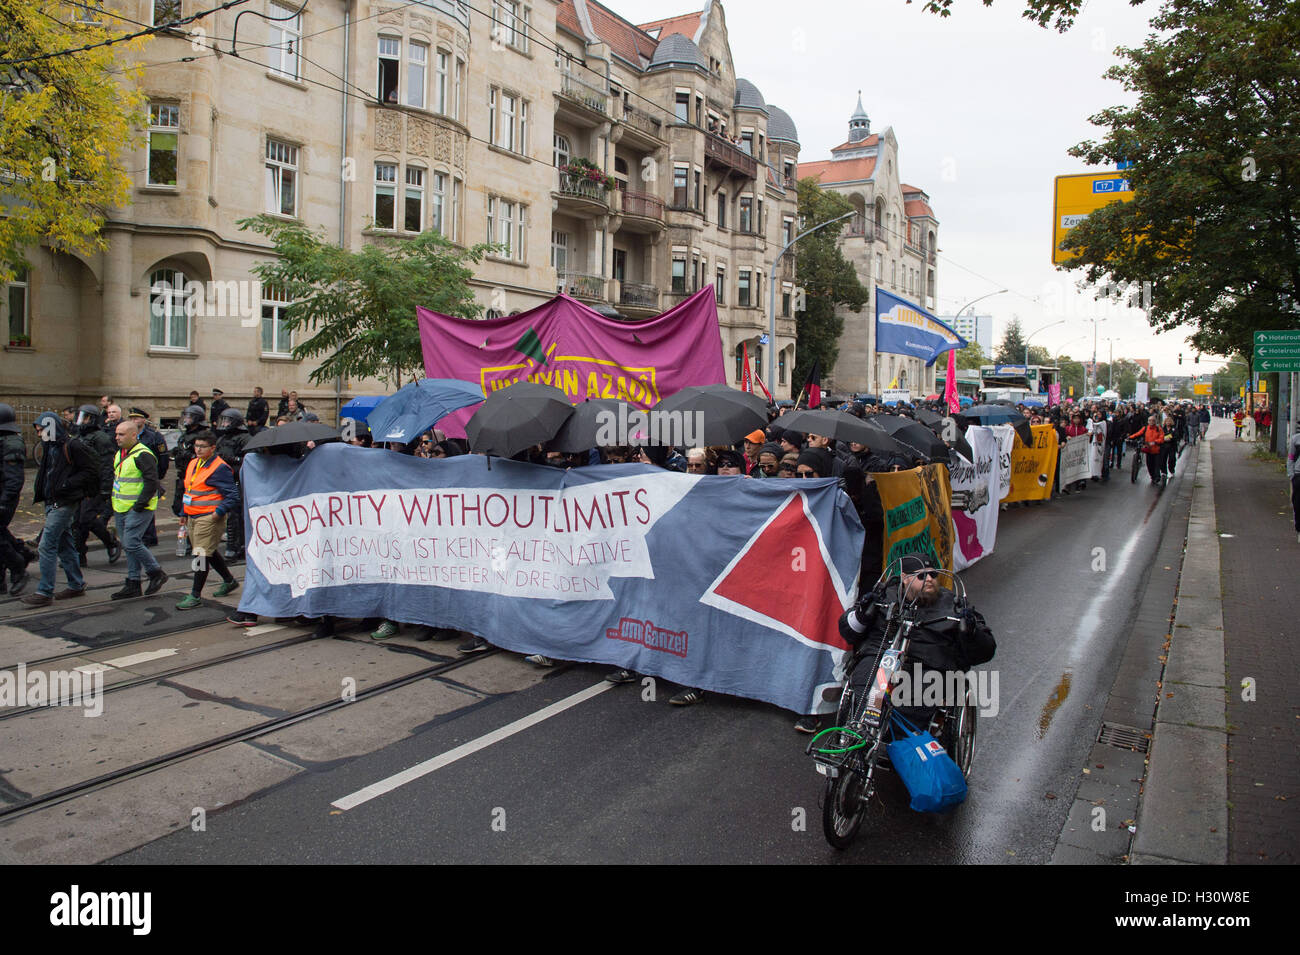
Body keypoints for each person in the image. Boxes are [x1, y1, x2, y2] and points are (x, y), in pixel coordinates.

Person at [815, 554, 996, 735]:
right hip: (882, 659)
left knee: (915, 700)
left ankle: (897, 741)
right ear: (904, 577)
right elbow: (849, 631)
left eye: (933, 574)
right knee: (866, 686)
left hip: (929, 666)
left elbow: (985, 651)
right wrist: (861, 614)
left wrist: (971, 631)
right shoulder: (884, 596)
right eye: (921, 576)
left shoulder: (953, 605)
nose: (930, 580)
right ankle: (862, 733)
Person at [22, 412, 97, 606]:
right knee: (64, 543)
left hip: (64, 503)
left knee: (46, 545)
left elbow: (90, 471)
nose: (39, 435)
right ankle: (76, 584)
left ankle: (45, 591)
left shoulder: (72, 445)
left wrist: (67, 485)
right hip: (53, 501)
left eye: (41, 430)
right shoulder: (50, 446)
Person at [176, 430, 240, 609]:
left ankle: (195, 595)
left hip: (208, 517)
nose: (198, 449)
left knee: (200, 555)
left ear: (213, 448)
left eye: (202, 446)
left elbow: (233, 495)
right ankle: (229, 580)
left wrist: (218, 513)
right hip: (193, 515)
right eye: (196, 445)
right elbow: (189, 490)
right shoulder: (194, 463)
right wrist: (183, 512)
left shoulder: (219, 468)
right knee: (207, 551)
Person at [109, 420, 169, 600]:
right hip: (120, 507)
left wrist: (139, 505)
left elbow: (152, 482)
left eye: (121, 434)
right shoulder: (121, 453)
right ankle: (133, 583)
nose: (117, 437)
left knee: (131, 542)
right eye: (116, 434)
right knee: (129, 546)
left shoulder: (143, 454)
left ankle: (156, 572)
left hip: (139, 508)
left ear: (134, 435)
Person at [71, 405, 122, 566]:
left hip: (96, 486)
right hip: (80, 485)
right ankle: (79, 554)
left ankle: (111, 542)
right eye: (80, 417)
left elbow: (107, 465)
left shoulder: (101, 438)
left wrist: (106, 488)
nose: (81, 422)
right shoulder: (78, 437)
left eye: (85, 418)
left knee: (86, 518)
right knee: (77, 520)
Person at [0, 403, 32, 595]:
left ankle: (18, 565)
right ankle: (21, 553)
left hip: (5, 496)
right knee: (1, 534)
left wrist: (4, 501)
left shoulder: (12, 443)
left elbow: (14, 479)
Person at [215, 409, 250, 561]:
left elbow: (251, 460)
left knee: (236, 515)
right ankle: (231, 544)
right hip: (224, 480)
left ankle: (237, 546)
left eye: (228, 421)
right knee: (227, 514)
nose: (225, 424)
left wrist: (233, 459)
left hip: (239, 480)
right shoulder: (222, 439)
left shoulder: (245, 438)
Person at [171, 403, 207, 553]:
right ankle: (187, 536)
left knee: (192, 509)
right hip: (182, 475)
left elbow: (204, 455)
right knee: (179, 506)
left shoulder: (202, 435)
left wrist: (190, 455)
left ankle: (194, 540)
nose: (186, 419)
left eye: (189, 417)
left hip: (195, 476)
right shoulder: (185, 435)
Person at [1128, 414, 1169, 485]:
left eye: (1153, 420)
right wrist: (1130, 437)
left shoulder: (1159, 429)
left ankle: (1157, 477)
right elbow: (1138, 433)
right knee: (1149, 464)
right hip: (1149, 450)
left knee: (1156, 465)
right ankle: (1153, 477)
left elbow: (1161, 438)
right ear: (1148, 421)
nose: (1151, 422)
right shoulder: (1145, 428)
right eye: (1150, 420)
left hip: (1157, 450)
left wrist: (1155, 442)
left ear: (1155, 421)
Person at [1288, 422, 1300, 544]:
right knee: (1297, 503)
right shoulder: (1296, 440)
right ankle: (1299, 528)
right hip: (1298, 476)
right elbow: (1291, 458)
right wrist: (1291, 475)